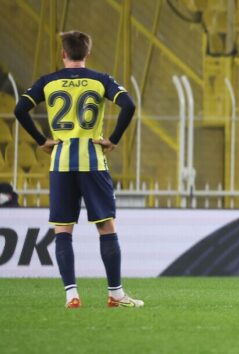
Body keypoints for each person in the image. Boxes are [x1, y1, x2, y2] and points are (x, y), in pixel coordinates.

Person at [13, 31, 142, 308]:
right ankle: (115, 293)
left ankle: (71, 295)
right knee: (106, 227)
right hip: (92, 162)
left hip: (61, 162)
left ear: (63, 53)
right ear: (87, 53)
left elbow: (20, 109)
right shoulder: (100, 80)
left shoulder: (48, 81)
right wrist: (113, 139)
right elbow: (129, 105)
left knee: (63, 231)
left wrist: (41, 140)